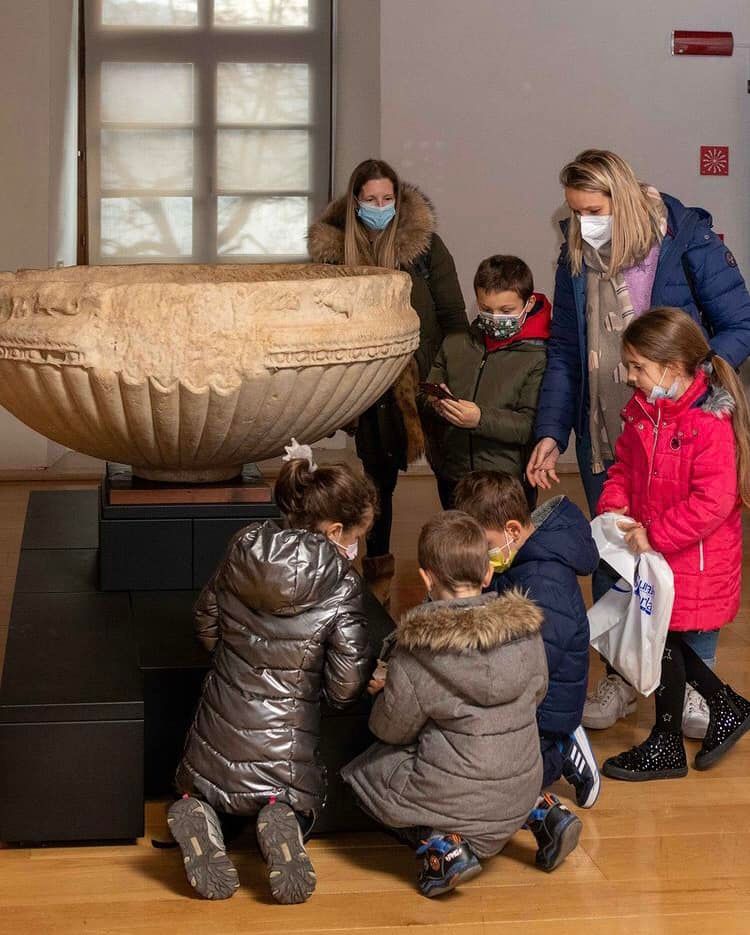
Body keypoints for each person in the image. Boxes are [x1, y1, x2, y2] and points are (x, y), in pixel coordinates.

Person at [525, 148, 750, 734]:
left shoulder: (686, 237)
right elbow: (565, 354)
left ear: (620, 198)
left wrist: (698, 385)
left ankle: (700, 685)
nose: (584, 223)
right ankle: (622, 679)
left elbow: (739, 322)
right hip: (613, 433)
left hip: (682, 426)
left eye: (593, 210)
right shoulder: (574, 255)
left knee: (684, 563)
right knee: (619, 553)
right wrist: (551, 432)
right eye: (576, 213)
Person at [167, 441, 377, 904]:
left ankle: (197, 810)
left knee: (207, 788)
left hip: (216, 730)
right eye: (355, 536)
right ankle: (282, 819)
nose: (355, 548)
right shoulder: (342, 585)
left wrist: (238, 657)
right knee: (292, 797)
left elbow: (205, 620)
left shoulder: (244, 547)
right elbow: (344, 686)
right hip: (286, 745)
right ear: (336, 529)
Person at [342, 511, 582, 898]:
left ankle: (443, 845)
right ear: (488, 574)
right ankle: (542, 812)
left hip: (459, 805)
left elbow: (389, 728)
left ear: (426, 578)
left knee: (367, 773)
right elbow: (537, 694)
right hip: (522, 783)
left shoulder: (418, 650)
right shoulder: (527, 631)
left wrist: (386, 689)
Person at [597, 308, 750, 781]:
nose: (630, 376)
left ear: (674, 366)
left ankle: (682, 733)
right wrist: (614, 508)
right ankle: (715, 712)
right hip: (658, 555)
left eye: (638, 366)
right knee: (662, 637)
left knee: (665, 638)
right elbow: (622, 468)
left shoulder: (708, 423)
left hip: (694, 559)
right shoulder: (643, 412)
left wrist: (655, 534)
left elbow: (715, 501)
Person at [308, 158, 466, 605]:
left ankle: (456, 574)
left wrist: (449, 376)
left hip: (429, 376)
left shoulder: (425, 246)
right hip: (372, 386)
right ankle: (376, 580)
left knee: (449, 479)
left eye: (387, 199)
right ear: (355, 202)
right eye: (371, 200)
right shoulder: (335, 254)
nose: (380, 207)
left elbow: (453, 316)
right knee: (376, 487)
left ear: (398, 199)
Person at [455, 471, 600, 807]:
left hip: (545, 707)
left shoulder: (544, 581)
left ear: (513, 531)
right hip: (523, 689)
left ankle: (562, 748)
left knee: (499, 781)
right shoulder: (517, 560)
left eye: (486, 546)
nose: (483, 556)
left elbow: (537, 663)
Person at [419, 255, 549, 510]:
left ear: (528, 303)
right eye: (486, 309)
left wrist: (479, 418)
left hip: (506, 482)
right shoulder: (455, 343)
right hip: (453, 475)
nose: (494, 318)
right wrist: (435, 402)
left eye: (506, 311)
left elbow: (528, 426)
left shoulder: (537, 356)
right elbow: (424, 396)